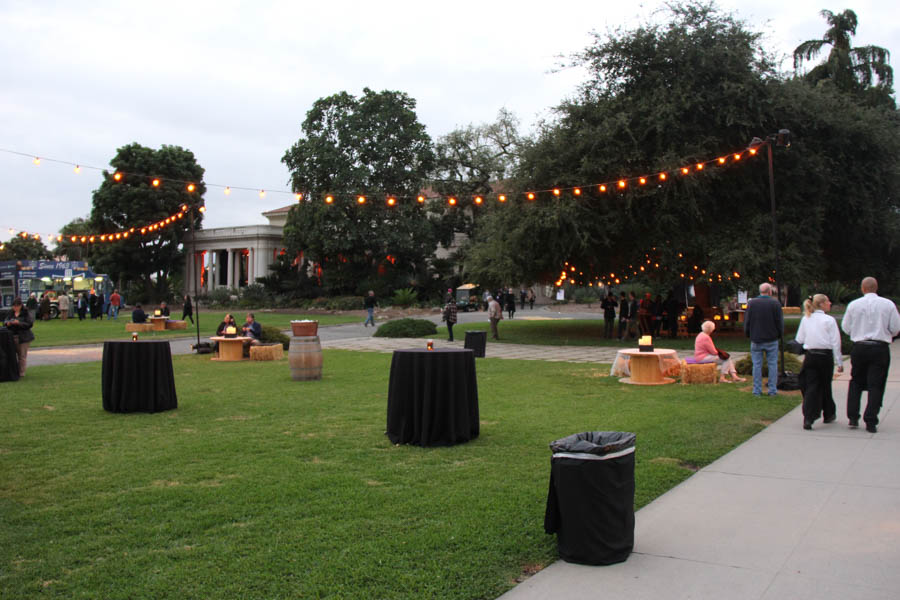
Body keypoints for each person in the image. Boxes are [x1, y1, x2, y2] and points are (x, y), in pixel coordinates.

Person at [840, 277, 900, 433]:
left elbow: (846, 327)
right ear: (876, 287)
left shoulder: (854, 305)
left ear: (862, 288)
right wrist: (887, 334)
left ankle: (853, 416)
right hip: (879, 347)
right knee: (876, 384)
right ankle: (871, 419)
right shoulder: (888, 305)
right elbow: (895, 327)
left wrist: (857, 332)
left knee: (856, 381)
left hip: (860, 347)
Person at [796, 294, 843, 430]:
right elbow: (835, 342)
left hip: (811, 356)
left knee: (811, 385)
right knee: (825, 385)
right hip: (825, 356)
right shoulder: (829, 320)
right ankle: (827, 413)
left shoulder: (806, 319)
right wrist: (839, 362)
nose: (830, 303)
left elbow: (800, 339)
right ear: (821, 304)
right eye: (828, 301)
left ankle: (810, 416)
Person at [744, 282, 784, 396]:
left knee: (756, 365)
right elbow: (779, 321)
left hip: (756, 338)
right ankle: (772, 390)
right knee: (772, 365)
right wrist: (780, 334)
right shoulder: (775, 303)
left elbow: (747, 320)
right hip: (771, 338)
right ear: (770, 291)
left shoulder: (752, 303)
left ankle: (757, 390)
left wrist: (748, 333)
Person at [3, 297, 34, 377]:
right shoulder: (11, 312)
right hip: (12, 336)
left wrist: (19, 323)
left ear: (20, 306)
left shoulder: (25, 313)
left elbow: (29, 324)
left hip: (23, 337)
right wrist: (8, 323)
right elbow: (5, 321)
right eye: (13, 306)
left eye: (16, 306)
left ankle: (21, 372)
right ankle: (14, 371)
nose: (15, 308)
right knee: (12, 355)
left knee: (22, 356)